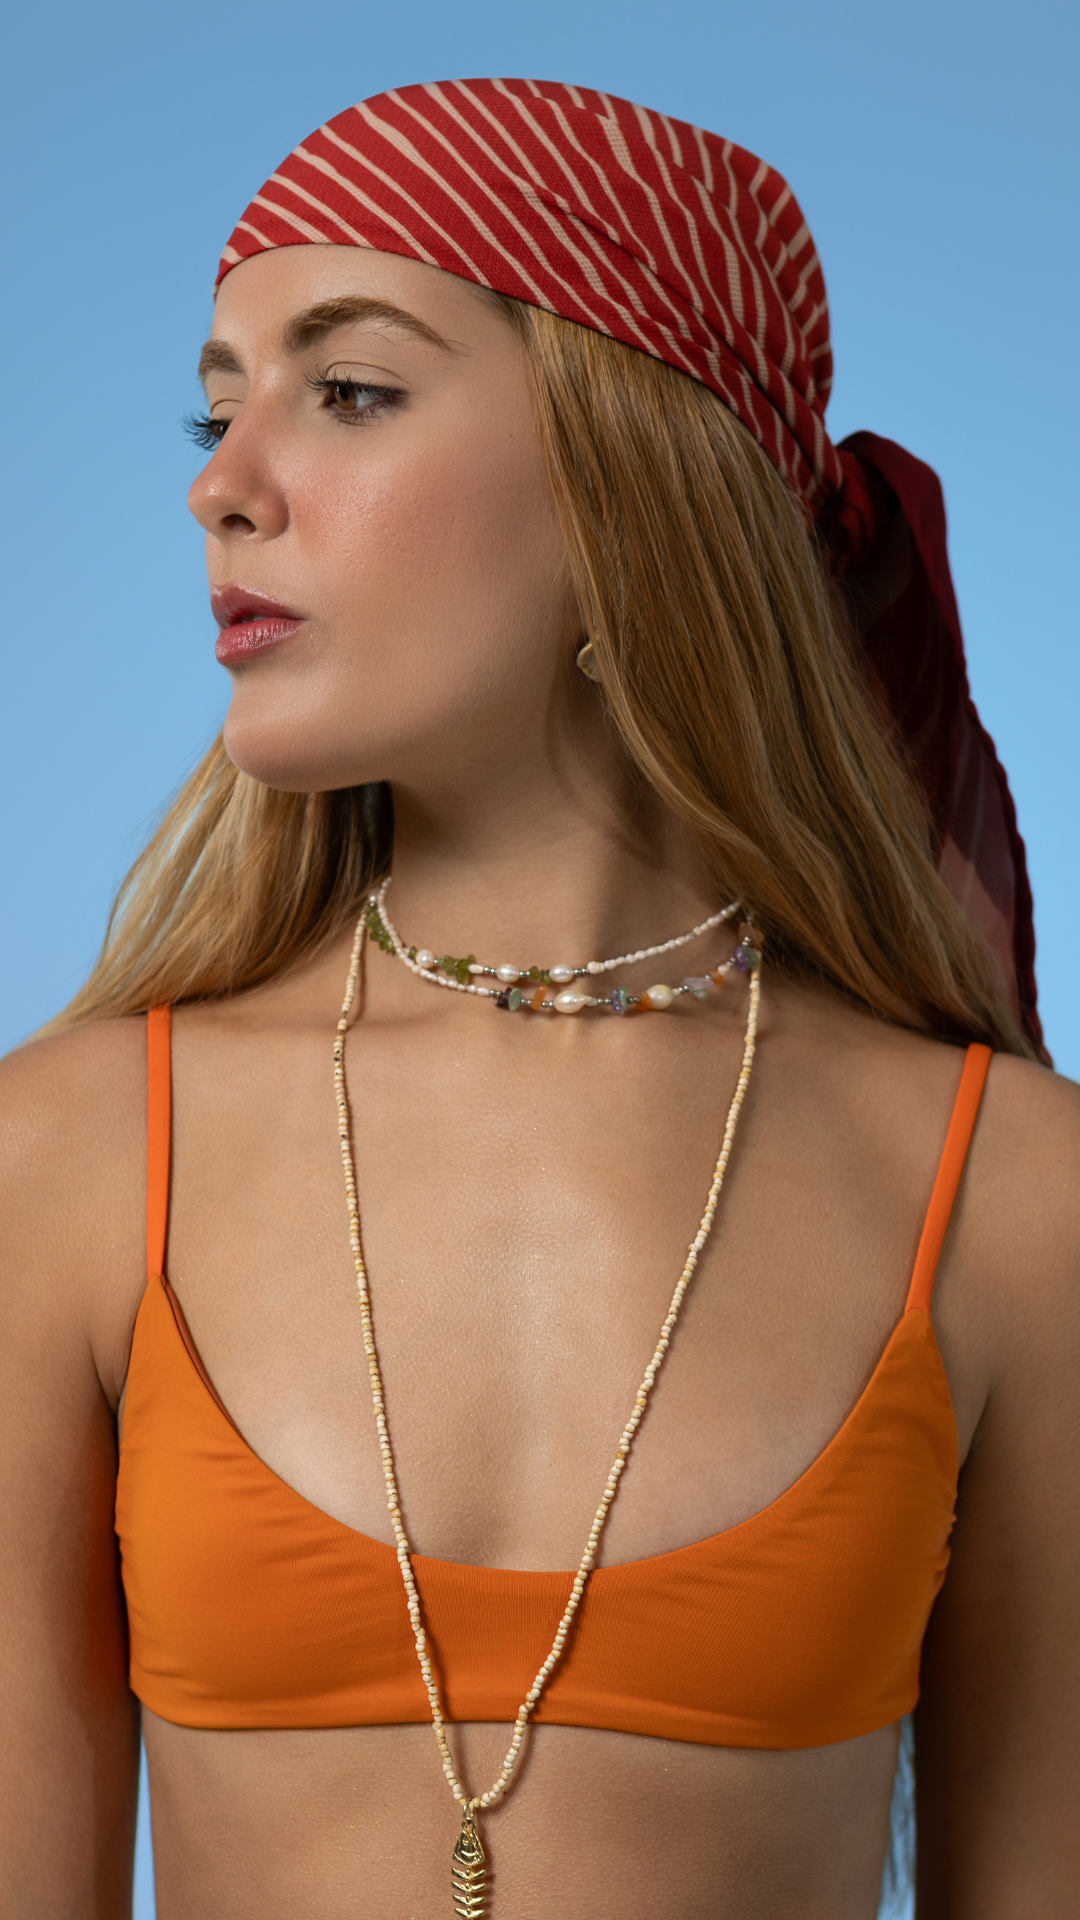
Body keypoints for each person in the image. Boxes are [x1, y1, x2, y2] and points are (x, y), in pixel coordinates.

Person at [1, 78, 1076, 1920]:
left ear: (623, 480)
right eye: (217, 403)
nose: (221, 483)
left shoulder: (1010, 1196)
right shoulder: (72, 1158)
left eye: (349, 390)